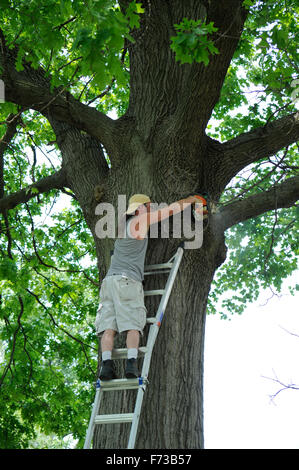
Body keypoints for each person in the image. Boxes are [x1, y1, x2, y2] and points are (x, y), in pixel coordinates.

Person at [95, 193, 201, 380]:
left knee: (108, 328)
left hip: (109, 283)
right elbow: (169, 211)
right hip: (127, 282)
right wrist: (193, 200)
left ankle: (106, 366)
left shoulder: (123, 226)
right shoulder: (139, 220)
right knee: (133, 325)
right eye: (147, 206)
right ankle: (131, 365)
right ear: (138, 209)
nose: (150, 208)